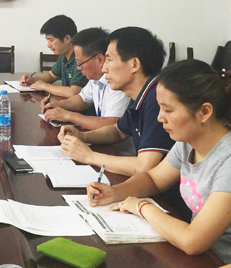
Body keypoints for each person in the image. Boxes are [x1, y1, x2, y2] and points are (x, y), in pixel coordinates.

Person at [87, 60, 231, 264]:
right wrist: (115, 192)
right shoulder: (187, 143)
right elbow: (154, 179)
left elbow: (193, 240)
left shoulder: (227, 160)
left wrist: (142, 206)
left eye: (168, 110)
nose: (160, 118)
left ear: (205, 112)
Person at [58, 27, 174, 176]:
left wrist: (88, 156)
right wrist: (82, 136)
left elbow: (144, 166)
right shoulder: (141, 95)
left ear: (134, 64)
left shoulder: (157, 100)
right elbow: (118, 132)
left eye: (109, 60)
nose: (104, 68)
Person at [41, 27, 130, 130]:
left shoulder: (118, 83)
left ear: (100, 59)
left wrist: (68, 116)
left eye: (80, 63)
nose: (78, 68)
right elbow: (83, 100)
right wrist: (58, 104)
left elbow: (112, 125)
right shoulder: (95, 79)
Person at [19, 15, 88, 98]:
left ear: (67, 38)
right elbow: (51, 75)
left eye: (51, 40)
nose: (48, 45)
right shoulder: (63, 56)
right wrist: (33, 79)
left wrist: (44, 86)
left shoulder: (81, 58)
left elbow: (73, 92)